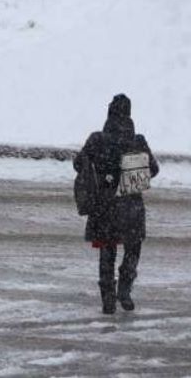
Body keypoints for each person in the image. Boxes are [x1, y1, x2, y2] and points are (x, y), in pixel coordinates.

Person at [74, 94, 160, 314]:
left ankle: (108, 298)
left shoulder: (96, 139)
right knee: (133, 248)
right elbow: (154, 169)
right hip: (131, 205)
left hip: (104, 204)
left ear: (109, 114)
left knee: (106, 251)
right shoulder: (137, 141)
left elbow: (78, 163)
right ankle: (125, 288)